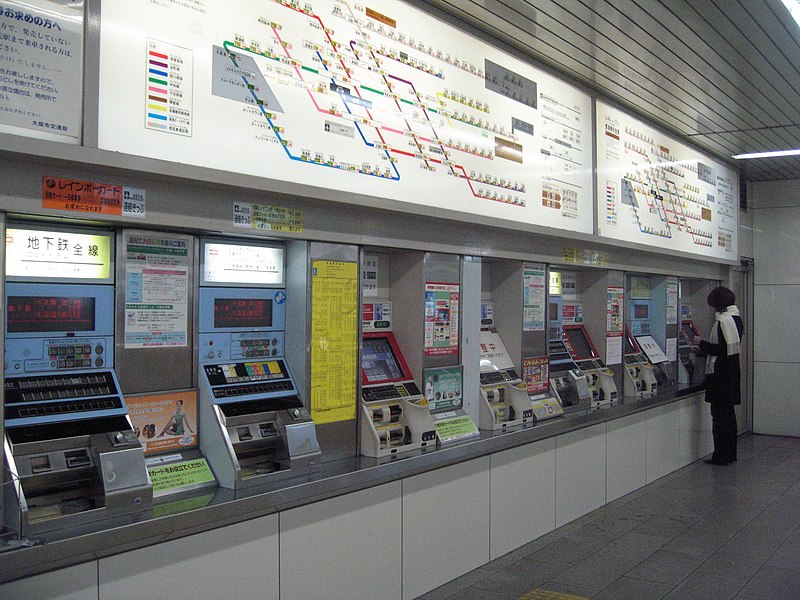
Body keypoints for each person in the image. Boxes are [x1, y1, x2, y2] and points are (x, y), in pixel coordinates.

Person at [693, 286, 743, 465]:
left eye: (714, 306)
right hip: (731, 373)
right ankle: (729, 453)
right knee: (728, 417)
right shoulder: (736, 319)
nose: (713, 309)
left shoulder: (724, 321)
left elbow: (722, 349)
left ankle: (720, 456)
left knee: (720, 418)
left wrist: (702, 344)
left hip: (721, 375)